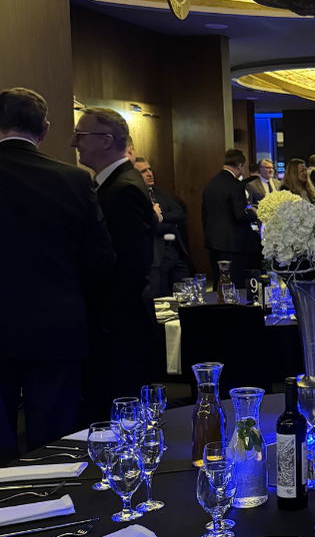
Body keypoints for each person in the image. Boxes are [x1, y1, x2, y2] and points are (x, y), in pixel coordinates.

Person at [0, 88, 114, 459]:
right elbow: (100, 260)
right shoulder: (73, 180)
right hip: (56, 324)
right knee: (53, 442)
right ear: (45, 130)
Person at [72, 106, 157, 425]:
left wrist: (103, 320)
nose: (74, 143)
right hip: (116, 325)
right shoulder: (114, 184)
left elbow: (133, 265)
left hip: (118, 329)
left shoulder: (124, 188)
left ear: (106, 140)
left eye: (80, 135)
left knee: (119, 418)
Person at [202, 148, 258, 288]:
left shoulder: (211, 183)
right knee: (234, 284)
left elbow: (205, 213)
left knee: (219, 282)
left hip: (213, 241)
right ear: (239, 165)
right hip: (233, 243)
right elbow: (239, 214)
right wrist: (254, 213)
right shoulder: (236, 185)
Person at [135, 157, 190, 297]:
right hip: (156, 254)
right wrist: (168, 225)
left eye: (149, 169)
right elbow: (147, 227)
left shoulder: (158, 192)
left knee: (185, 288)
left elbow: (180, 213)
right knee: (163, 295)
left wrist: (161, 218)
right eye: (143, 171)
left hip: (174, 249)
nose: (150, 174)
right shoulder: (136, 196)